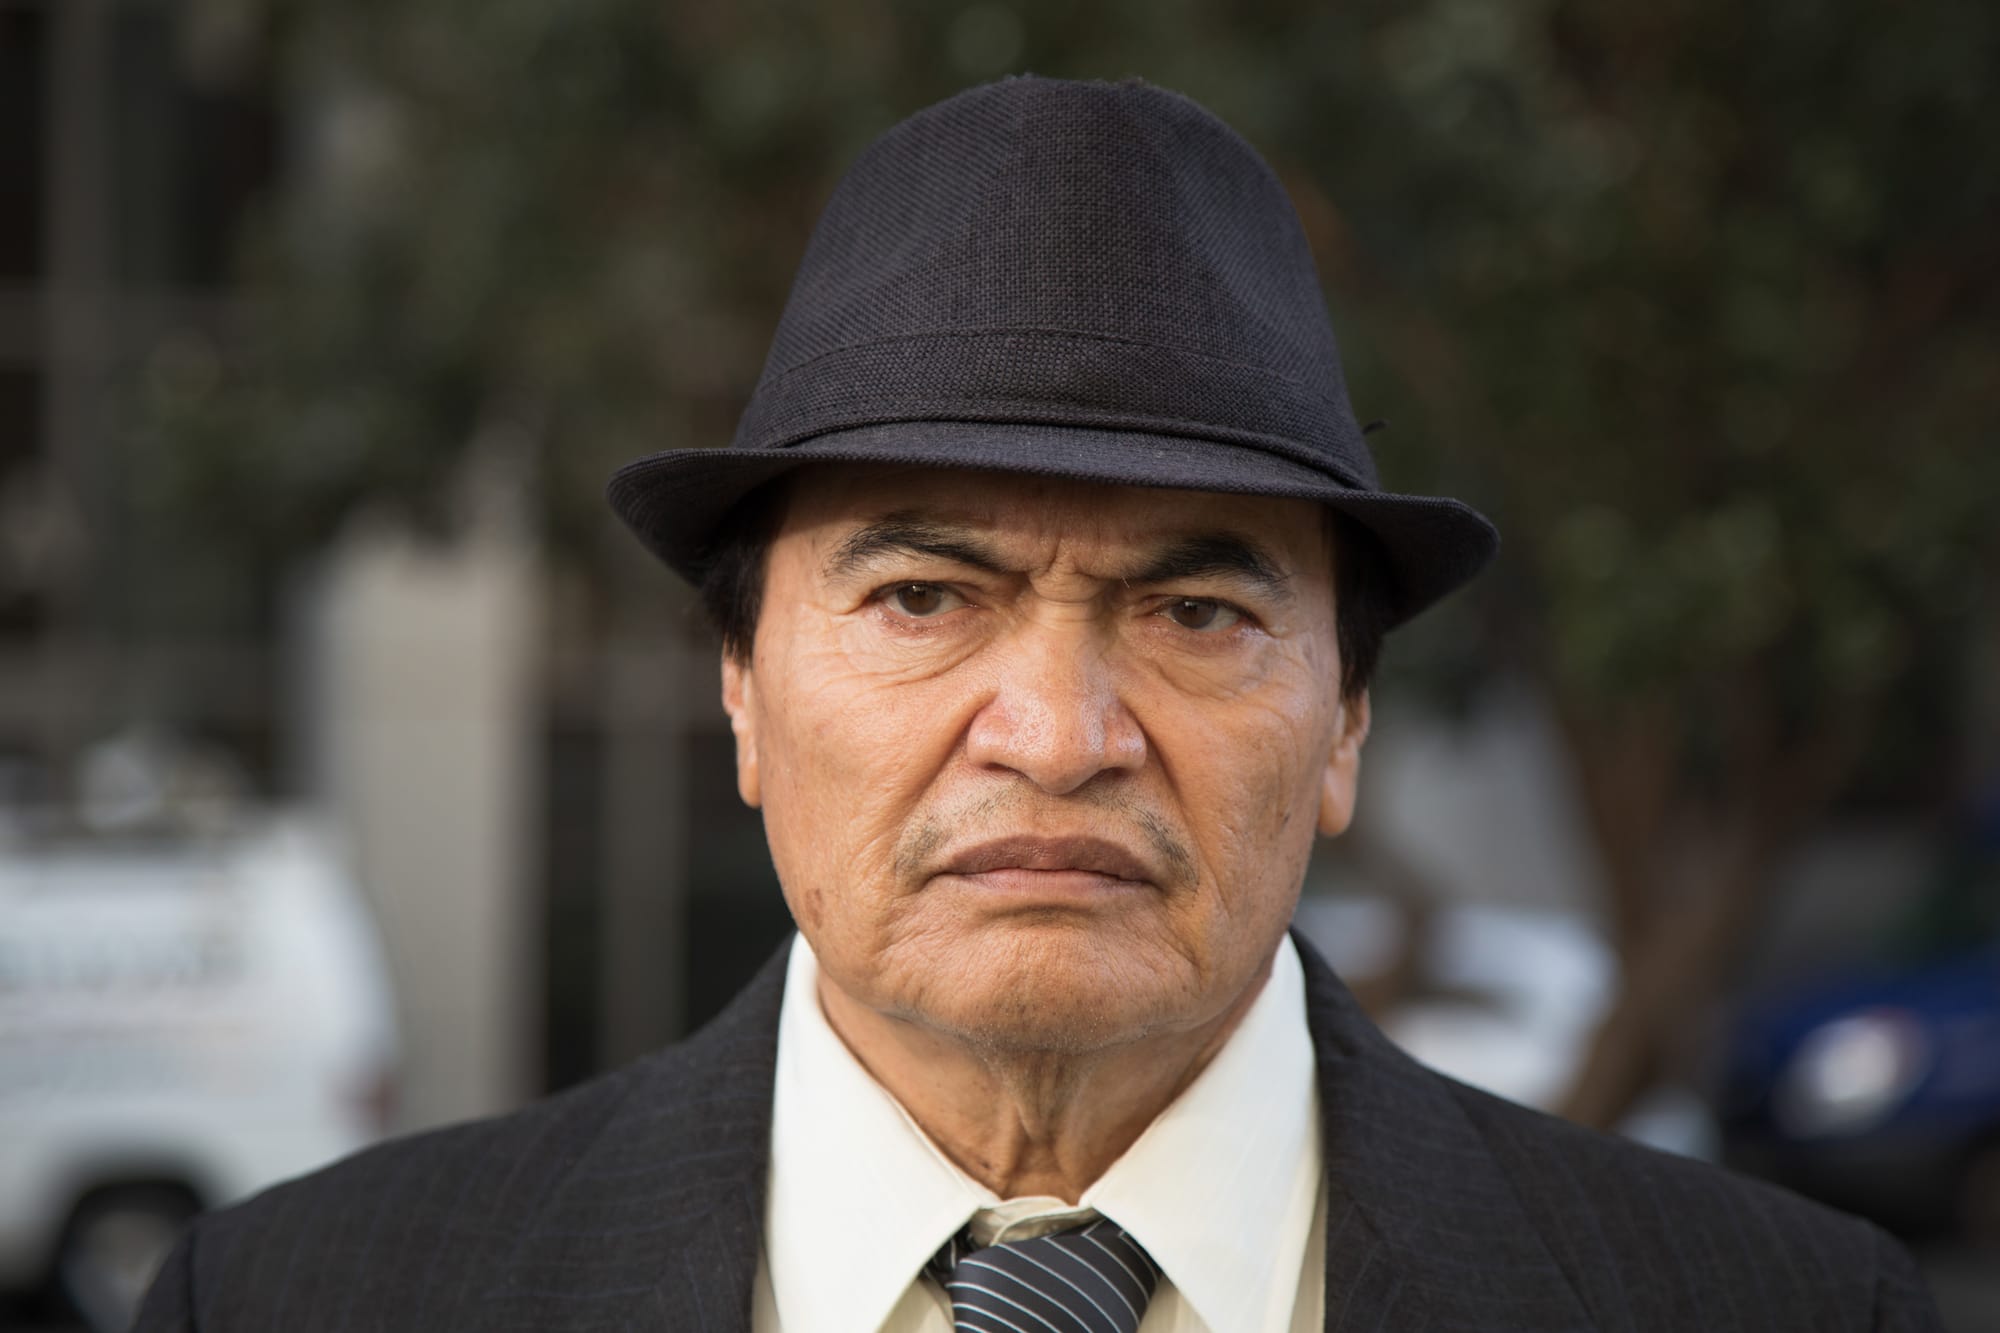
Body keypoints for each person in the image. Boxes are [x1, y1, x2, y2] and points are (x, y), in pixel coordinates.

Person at [136, 76, 1943, 1333]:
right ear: (744, 693)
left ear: (1348, 726)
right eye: (927, 596)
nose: (1060, 731)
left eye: (1195, 608)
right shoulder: (300, 1301)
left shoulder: (1786, 1310)